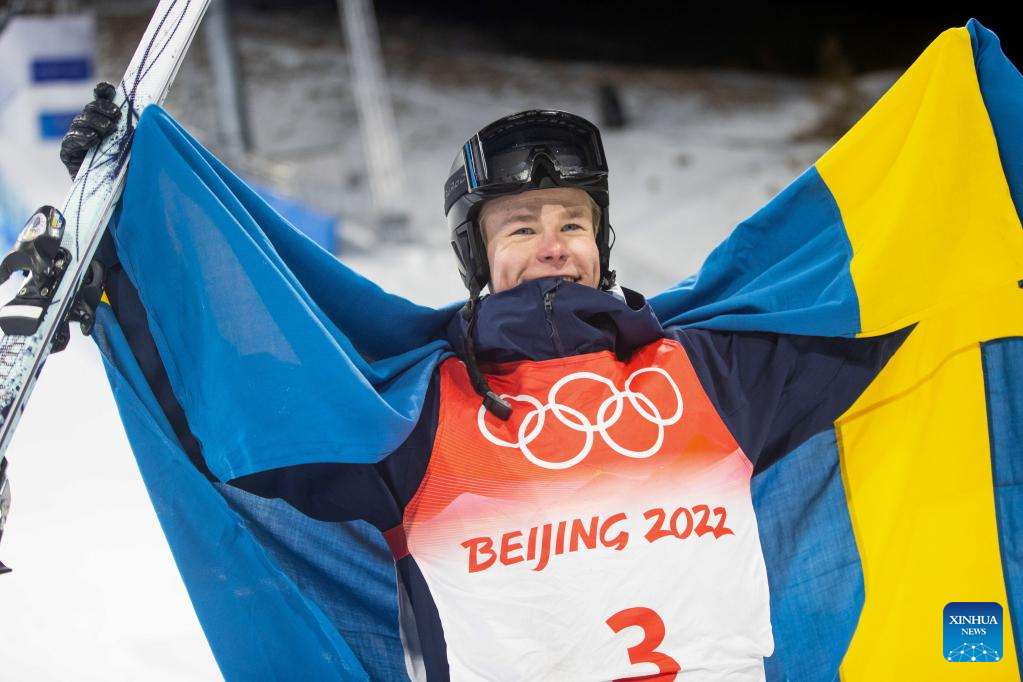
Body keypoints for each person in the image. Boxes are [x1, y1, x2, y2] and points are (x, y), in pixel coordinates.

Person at [62, 101, 909, 680]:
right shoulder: (419, 407)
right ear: (478, 257)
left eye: (572, 222)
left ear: (600, 243)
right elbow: (245, 413)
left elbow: (885, 306)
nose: (552, 244)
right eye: (520, 226)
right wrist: (132, 237)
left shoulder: (707, 373)